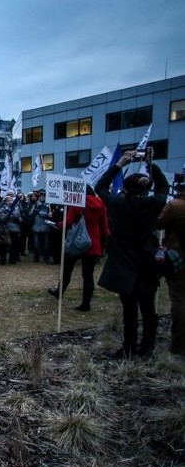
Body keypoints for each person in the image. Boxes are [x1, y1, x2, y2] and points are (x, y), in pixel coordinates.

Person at [96, 148, 168, 359]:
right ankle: (147, 347)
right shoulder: (154, 203)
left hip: (123, 262)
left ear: (125, 188)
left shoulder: (118, 204)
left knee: (129, 309)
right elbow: (163, 187)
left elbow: (100, 187)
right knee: (148, 309)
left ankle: (128, 347)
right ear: (146, 188)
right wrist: (150, 163)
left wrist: (119, 164)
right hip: (147, 261)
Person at [48, 185, 109, 311]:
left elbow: (69, 222)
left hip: (76, 241)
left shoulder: (77, 203)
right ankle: (86, 304)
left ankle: (59, 292)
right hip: (93, 242)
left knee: (67, 270)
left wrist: (58, 225)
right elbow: (104, 228)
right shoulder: (101, 204)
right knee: (88, 275)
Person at [156, 177, 185, 356]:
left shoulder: (176, 206)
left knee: (179, 299)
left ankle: (179, 344)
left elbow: (158, 223)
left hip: (179, 258)